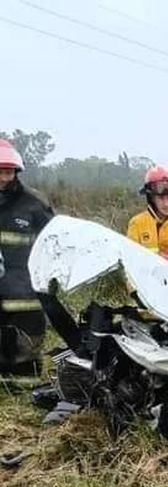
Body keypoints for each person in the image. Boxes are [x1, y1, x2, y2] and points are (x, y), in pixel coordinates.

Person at [0, 139, 54, 376]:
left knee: (26, 352)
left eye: (8, 172)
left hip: (26, 293)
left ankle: (25, 393)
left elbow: (53, 241)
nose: (3, 178)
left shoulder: (34, 203)